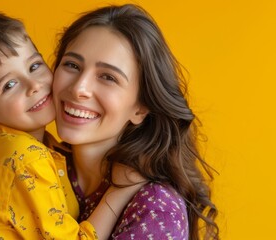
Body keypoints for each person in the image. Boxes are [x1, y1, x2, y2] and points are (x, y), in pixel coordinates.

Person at [0, 13, 142, 240]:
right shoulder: (25, 158)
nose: (34, 85)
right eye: (9, 85)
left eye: (34, 66)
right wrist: (119, 192)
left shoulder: (3, 150)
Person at [51, 3, 220, 240]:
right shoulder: (30, 165)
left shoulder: (156, 209)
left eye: (108, 77)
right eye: (72, 65)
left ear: (141, 108)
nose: (79, 88)